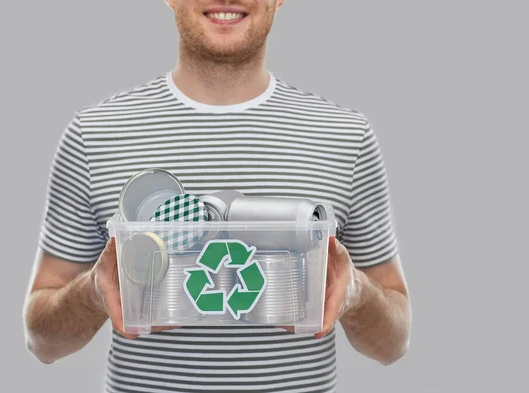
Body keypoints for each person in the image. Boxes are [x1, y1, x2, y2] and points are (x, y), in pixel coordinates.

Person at [23, 1, 412, 392]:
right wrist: (93, 292)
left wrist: (357, 293)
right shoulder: (95, 135)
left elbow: (394, 343)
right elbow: (42, 341)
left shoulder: (344, 137)